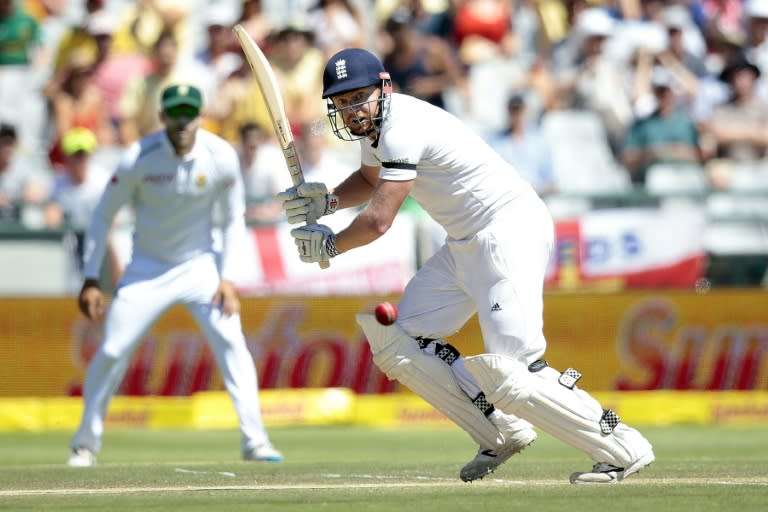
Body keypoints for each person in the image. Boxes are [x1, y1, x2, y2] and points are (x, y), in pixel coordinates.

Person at [278, 48, 654, 483]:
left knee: (515, 372)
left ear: (384, 88)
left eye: (358, 97)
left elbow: (380, 220)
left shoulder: (402, 125)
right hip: (464, 243)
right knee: (399, 340)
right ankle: (499, 429)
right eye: (342, 102)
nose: (351, 109)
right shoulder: (375, 129)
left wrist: (330, 247)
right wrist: (327, 202)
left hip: (508, 231)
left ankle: (623, 447)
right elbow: (368, 179)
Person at [67, 84, 282, 467]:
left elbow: (234, 219)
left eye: (189, 112)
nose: (183, 121)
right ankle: (85, 443)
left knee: (232, 344)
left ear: (200, 116)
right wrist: (90, 277)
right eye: (175, 113)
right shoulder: (139, 158)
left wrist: (228, 278)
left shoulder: (220, 156)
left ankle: (256, 441)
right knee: (113, 350)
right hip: (147, 269)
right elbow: (102, 215)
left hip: (202, 267)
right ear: (163, 117)